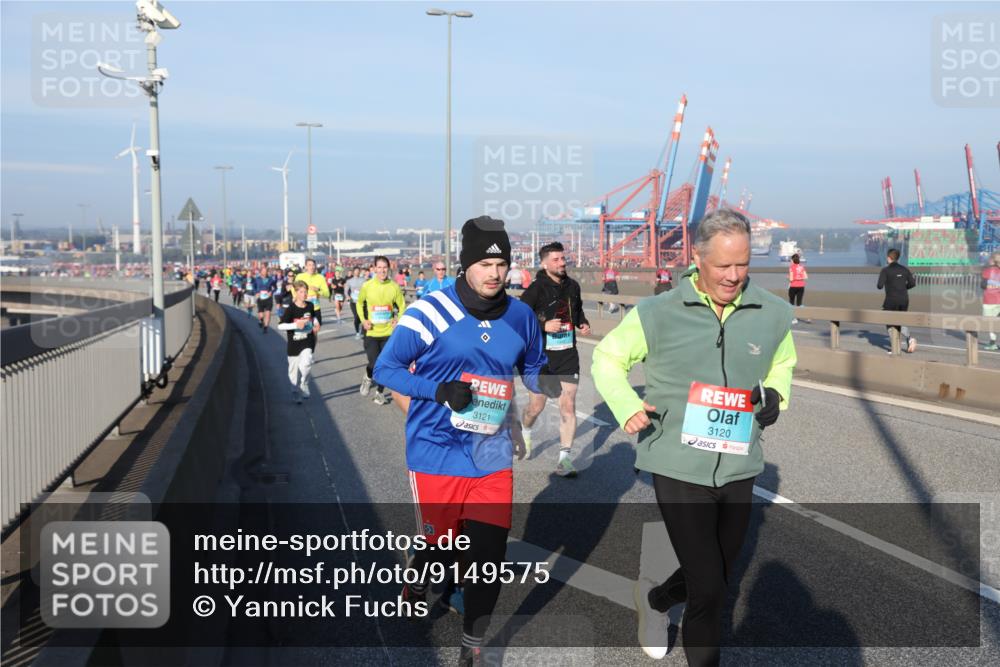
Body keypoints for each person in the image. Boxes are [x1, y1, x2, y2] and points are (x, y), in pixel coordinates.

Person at [592, 209, 796, 665]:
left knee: (717, 574)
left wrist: (776, 396)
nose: (734, 275)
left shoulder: (773, 312)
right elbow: (607, 359)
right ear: (697, 259)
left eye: (743, 264)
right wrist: (627, 407)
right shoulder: (657, 312)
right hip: (676, 462)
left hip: (740, 462)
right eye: (723, 265)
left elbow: (782, 363)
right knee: (710, 591)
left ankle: (657, 600)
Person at [373, 216, 560, 666]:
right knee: (441, 546)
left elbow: (531, 363)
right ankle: (419, 577)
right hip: (435, 452)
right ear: (465, 264)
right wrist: (436, 390)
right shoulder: (429, 311)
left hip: (490, 453)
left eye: (502, 263)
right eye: (484, 263)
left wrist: (543, 383)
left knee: (488, 556)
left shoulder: (519, 315)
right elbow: (386, 368)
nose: (495, 273)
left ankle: (472, 648)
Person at [518, 241, 591, 475]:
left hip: (567, 354)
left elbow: (577, 310)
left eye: (563, 258)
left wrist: (583, 323)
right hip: (540, 357)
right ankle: (525, 431)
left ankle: (564, 460)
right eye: (556, 259)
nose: (562, 263)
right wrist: (543, 324)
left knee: (568, 406)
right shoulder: (536, 289)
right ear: (544, 263)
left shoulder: (573, 286)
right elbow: (521, 319)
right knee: (536, 406)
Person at [356, 256, 406, 405]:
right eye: (379, 267)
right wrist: (364, 320)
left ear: (388, 269)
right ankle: (368, 376)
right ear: (374, 268)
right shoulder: (367, 286)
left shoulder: (394, 286)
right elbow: (359, 303)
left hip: (388, 333)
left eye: (385, 267)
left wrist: (398, 319)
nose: (382, 270)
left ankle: (379, 392)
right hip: (372, 332)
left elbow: (402, 306)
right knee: (374, 363)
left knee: (385, 365)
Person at [277, 281, 320, 402]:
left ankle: (304, 383)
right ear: (295, 293)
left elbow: (313, 317)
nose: (304, 294)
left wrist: (316, 324)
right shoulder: (291, 308)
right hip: (294, 343)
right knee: (293, 371)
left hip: (307, 340)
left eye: (305, 291)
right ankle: (294, 390)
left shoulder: (310, 305)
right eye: (301, 292)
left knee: (307, 363)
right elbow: (280, 326)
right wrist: (296, 324)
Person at [877, 248, 917, 354]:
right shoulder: (904, 269)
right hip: (904, 299)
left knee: (890, 322)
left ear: (888, 257)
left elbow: (879, 286)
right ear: (897, 258)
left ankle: (895, 348)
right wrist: (903, 288)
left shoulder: (885, 270)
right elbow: (913, 283)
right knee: (900, 320)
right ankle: (910, 338)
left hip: (891, 300)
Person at [295, 258, 330, 325]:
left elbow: (327, 294)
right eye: (309, 265)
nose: (311, 267)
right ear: (306, 267)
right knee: (304, 329)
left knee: (316, 329)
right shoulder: (300, 276)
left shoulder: (320, 277)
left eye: (313, 265)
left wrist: (318, 290)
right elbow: (294, 290)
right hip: (302, 308)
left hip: (315, 308)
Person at [982, 251, 1000, 351]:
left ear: (992, 260)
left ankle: (992, 344)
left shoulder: (987, 271)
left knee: (990, 324)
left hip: (989, 301)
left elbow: (983, 285)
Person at [253, 266, 277, 333]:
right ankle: (261, 320)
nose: (265, 272)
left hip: (268, 298)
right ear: (260, 272)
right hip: (260, 298)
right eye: (263, 271)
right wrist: (256, 293)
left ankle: (266, 327)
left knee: (268, 313)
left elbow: (275, 287)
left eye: (266, 271)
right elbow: (253, 286)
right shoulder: (257, 279)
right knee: (261, 314)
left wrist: (271, 292)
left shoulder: (271, 279)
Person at [345, 266, 366, 340]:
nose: (357, 272)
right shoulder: (349, 281)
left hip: (362, 302)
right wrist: (347, 296)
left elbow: (367, 289)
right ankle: (357, 332)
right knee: (357, 316)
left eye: (358, 271)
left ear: (359, 272)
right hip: (353, 302)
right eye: (356, 271)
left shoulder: (364, 280)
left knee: (363, 317)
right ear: (353, 272)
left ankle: (363, 332)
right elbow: (346, 290)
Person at [787, 253, 808, 324]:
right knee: (799, 303)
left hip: (793, 286)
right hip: (801, 286)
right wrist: (799, 277)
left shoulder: (791, 267)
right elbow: (805, 277)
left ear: (793, 260)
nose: (790, 261)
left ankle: (794, 319)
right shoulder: (802, 267)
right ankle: (808, 315)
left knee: (791, 303)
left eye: (791, 260)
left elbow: (791, 279)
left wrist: (788, 278)